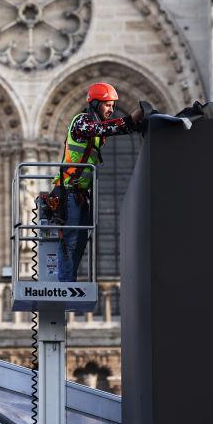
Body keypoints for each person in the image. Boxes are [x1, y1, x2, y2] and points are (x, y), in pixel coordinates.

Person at [52, 82, 144, 282]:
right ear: (94, 104)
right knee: (70, 240)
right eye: (107, 105)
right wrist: (129, 120)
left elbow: (107, 129)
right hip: (68, 192)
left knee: (81, 240)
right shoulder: (82, 122)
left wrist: (138, 124)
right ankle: (65, 283)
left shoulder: (96, 130)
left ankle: (69, 280)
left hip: (81, 195)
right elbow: (102, 129)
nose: (110, 109)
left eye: (112, 106)